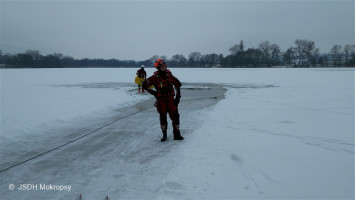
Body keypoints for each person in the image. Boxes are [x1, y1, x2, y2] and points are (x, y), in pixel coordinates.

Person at [142, 59, 184, 141]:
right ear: (158, 67)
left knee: (175, 116)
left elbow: (178, 85)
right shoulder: (154, 78)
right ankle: (164, 135)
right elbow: (144, 85)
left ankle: (177, 134)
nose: (165, 67)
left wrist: (178, 97)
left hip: (171, 100)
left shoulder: (169, 76)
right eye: (163, 66)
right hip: (161, 101)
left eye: (165, 65)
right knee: (163, 118)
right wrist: (154, 93)